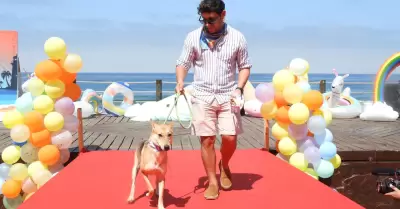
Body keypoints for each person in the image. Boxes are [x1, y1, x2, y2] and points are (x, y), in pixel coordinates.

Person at [175, 0, 251, 200]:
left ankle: (224, 164)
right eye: (204, 19)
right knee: (207, 140)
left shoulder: (237, 37)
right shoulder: (193, 37)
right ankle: (212, 180)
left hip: (229, 95)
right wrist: (180, 80)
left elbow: (245, 66)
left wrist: (239, 88)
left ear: (223, 14)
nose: (207, 24)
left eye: (212, 20)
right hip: (202, 95)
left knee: (230, 137)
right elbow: (183, 63)